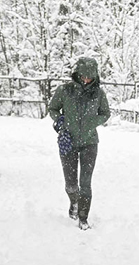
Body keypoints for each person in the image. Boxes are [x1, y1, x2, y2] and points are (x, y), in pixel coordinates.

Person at [47, 56, 110, 230]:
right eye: (83, 76)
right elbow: (52, 108)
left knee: (85, 183)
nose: (86, 80)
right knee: (71, 183)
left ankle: (83, 218)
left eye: (90, 77)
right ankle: (73, 201)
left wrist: (92, 122)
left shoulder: (99, 93)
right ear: (77, 74)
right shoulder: (64, 91)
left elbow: (105, 113)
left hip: (90, 143)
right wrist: (59, 120)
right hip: (68, 141)